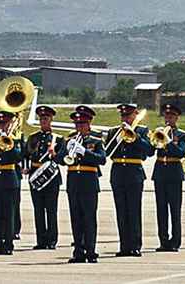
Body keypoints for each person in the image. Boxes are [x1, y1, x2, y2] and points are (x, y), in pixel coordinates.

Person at [63, 105, 107, 264]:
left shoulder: (96, 140)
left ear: (89, 124)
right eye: (77, 124)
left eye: (82, 124)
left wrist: (84, 152)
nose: (79, 127)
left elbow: (101, 159)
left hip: (89, 182)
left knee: (89, 218)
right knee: (76, 218)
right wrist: (59, 153)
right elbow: (62, 159)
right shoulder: (70, 139)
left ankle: (91, 251)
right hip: (74, 182)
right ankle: (78, 252)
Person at [109, 102, 150, 257]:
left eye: (128, 115)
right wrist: (118, 138)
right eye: (123, 115)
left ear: (135, 115)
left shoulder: (142, 130)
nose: (125, 118)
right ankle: (124, 245)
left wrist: (135, 137)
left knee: (134, 210)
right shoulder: (114, 131)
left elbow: (149, 151)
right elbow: (108, 153)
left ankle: (135, 245)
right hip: (118, 173)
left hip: (134, 173)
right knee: (121, 211)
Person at [0, 108, 24, 255]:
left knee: (8, 213)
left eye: (4, 123)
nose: (1, 126)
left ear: (9, 123)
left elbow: (19, 157)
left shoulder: (15, 139)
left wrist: (8, 144)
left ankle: (8, 243)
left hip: (9, 179)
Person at [150, 103, 185, 253]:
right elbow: (151, 151)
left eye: (171, 116)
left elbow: (181, 152)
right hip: (160, 172)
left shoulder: (182, 135)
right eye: (166, 116)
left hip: (174, 173)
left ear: (176, 118)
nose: (168, 119)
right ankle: (163, 241)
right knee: (161, 209)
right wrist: (155, 138)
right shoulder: (158, 132)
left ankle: (175, 241)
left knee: (175, 209)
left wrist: (169, 142)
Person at [24, 105, 63, 250]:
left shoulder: (57, 139)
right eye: (41, 119)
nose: (43, 121)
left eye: (45, 119)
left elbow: (63, 158)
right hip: (35, 174)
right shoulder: (33, 137)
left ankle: (52, 239)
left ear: (51, 119)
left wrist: (54, 154)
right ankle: (41, 239)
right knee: (38, 209)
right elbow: (25, 154)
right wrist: (25, 167)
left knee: (51, 209)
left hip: (51, 177)